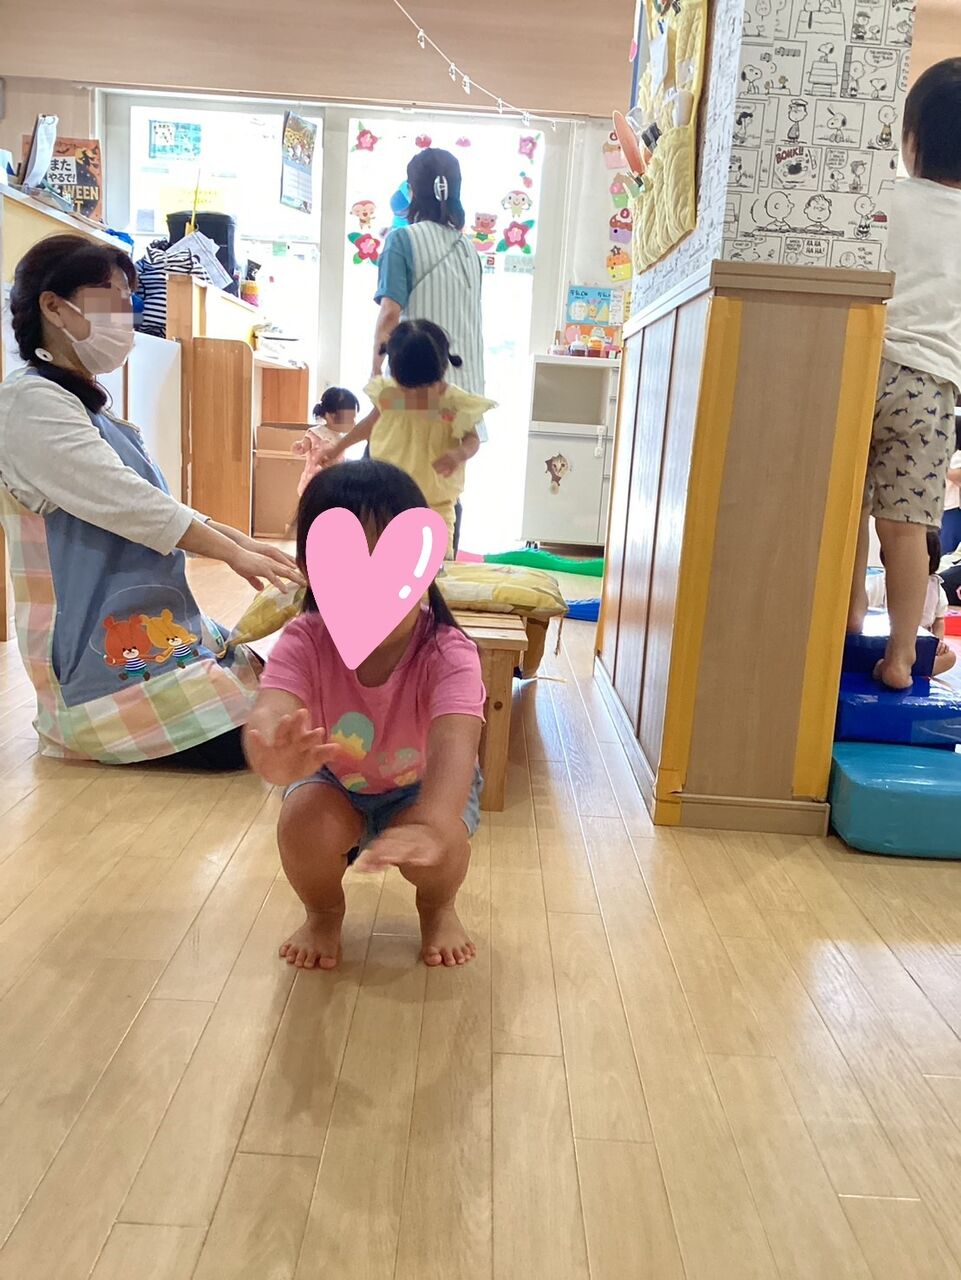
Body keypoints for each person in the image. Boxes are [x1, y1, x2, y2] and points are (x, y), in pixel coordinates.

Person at [0, 234, 302, 768]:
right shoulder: (29, 403)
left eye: (128, 301)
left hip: (151, 628)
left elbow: (154, 503)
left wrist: (243, 541)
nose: (126, 316)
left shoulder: (85, 406)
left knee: (283, 693)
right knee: (268, 732)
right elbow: (131, 505)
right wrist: (234, 552)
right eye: (110, 300)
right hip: (94, 663)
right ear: (54, 306)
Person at [243, 459, 486, 970]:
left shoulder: (448, 653)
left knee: (442, 845)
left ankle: (438, 908)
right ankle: (323, 913)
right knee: (301, 825)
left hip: (423, 784)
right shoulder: (305, 639)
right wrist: (273, 756)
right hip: (335, 779)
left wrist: (434, 822)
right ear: (310, 569)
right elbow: (270, 712)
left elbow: (457, 746)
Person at [847, 59, 961, 690]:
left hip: (862, 366)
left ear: (910, 139)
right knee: (905, 526)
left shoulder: (884, 196)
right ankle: (899, 656)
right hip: (929, 387)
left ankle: (845, 619)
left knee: (845, 512)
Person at [373, 148, 488, 556]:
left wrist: (375, 372)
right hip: (459, 392)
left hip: (412, 388)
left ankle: (387, 575)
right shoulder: (469, 250)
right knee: (444, 489)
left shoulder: (402, 240)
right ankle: (438, 574)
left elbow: (390, 313)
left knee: (387, 486)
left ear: (411, 190)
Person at [317, 320, 494, 557]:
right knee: (386, 561)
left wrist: (459, 454)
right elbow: (369, 424)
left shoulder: (454, 403)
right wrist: (338, 447)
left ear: (442, 367)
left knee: (435, 565)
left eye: (424, 387)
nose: (415, 393)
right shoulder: (391, 395)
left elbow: (472, 439)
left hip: (436, 505)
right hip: (387, 500)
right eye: (407, 386)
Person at [867, 531, 956, 676]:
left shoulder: (935, 589)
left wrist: (938, 642)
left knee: (950, 658)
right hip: (883, 644)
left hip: (919, 647)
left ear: (931, 560)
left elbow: (939, 620)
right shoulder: (878, 584)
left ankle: (905, 671)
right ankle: (897, 668)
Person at [292, 386, 359, 497]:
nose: (354, 423)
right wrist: (299, 447)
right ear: (331, 416)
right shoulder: (316, 433)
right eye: (351, 418)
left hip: (334, 483)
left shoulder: (343, 439)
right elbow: (303, 447)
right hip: (314, 483)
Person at [941, 434, 961, 553]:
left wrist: (941, 469)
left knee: (948, 551)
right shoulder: (945, 454)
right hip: (944, 508)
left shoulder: (958, 455)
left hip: (953, 509)